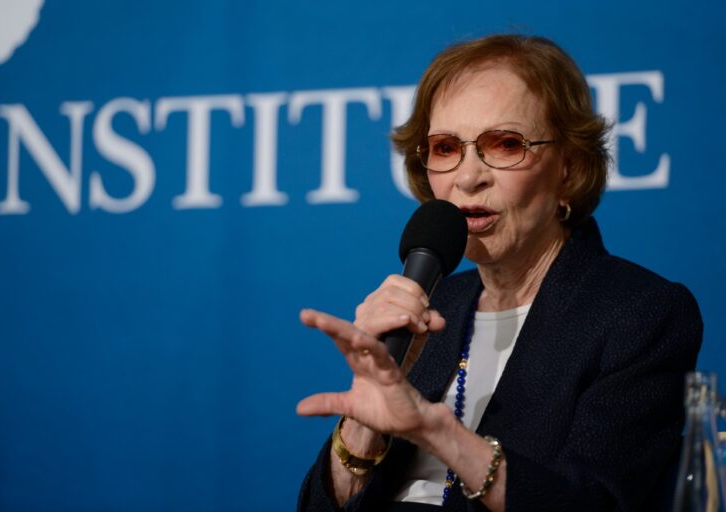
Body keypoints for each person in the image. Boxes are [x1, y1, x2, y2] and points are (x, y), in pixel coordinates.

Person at [296, 34, 702, 511]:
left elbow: (596, 503)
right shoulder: (432, 307)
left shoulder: (638, 313)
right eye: (446, 148)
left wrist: (441, 435)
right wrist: (364, 423)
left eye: (506, 144)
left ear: (568, 167)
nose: (468, 177)